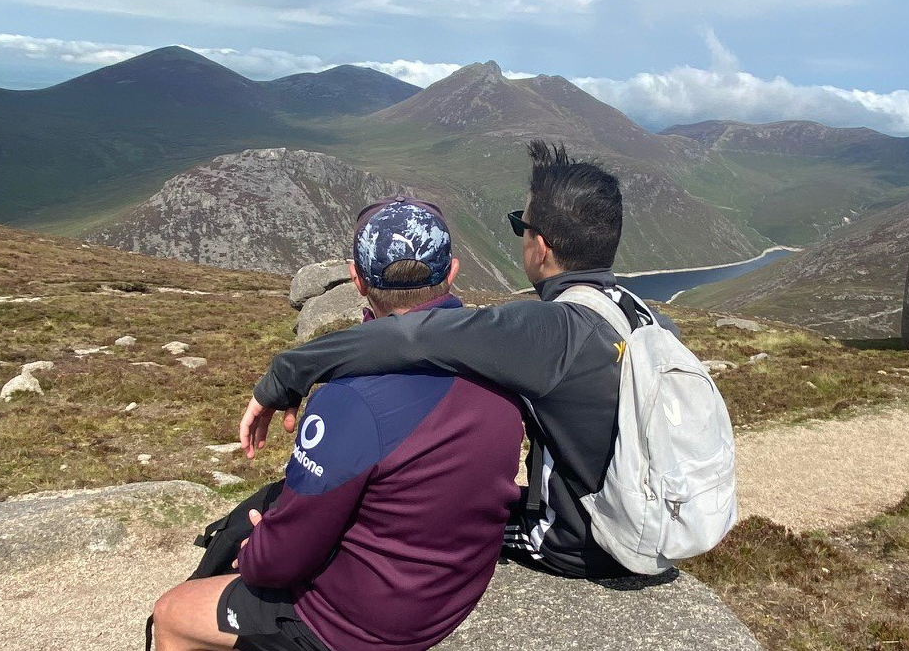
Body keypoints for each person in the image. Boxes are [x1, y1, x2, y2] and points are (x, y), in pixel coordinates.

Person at [241, 141, 677, 579]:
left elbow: (414, 335)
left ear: (540, 248)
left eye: (519, 225)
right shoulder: (641, 315)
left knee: (405, 528)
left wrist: (287, 371)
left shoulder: (549, 328)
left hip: (573, 542)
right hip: (641, 515)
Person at [152, 198, 523, 651]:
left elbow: (279, 564)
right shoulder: (505, 361)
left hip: (360, 624)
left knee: (171, 612)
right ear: (452, 271)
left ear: (358, 280)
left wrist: (253, 551)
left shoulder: (350, 399)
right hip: (447, 598)